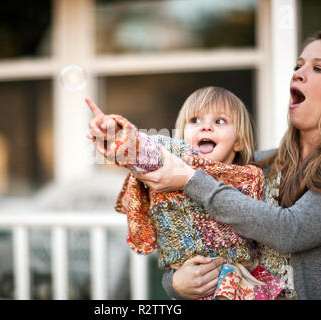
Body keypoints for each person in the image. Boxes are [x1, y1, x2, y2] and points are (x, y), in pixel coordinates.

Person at [131, 30, 321, 300]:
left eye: (318, 68)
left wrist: (191, 180)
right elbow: (197, 232)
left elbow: (293, 230)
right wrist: (177, 283)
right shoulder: (256, 167)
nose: (298, 74)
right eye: (297, 66)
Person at [87, 87, 286, 299]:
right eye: (195, 120)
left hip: (242, 281)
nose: (206, 127)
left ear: (238, 141)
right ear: (181, 137)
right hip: (192, 282)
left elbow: (268, 230)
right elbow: (145, 152)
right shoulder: (171, 165)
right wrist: (117, 136)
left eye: (219, 121)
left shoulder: (249, 178)